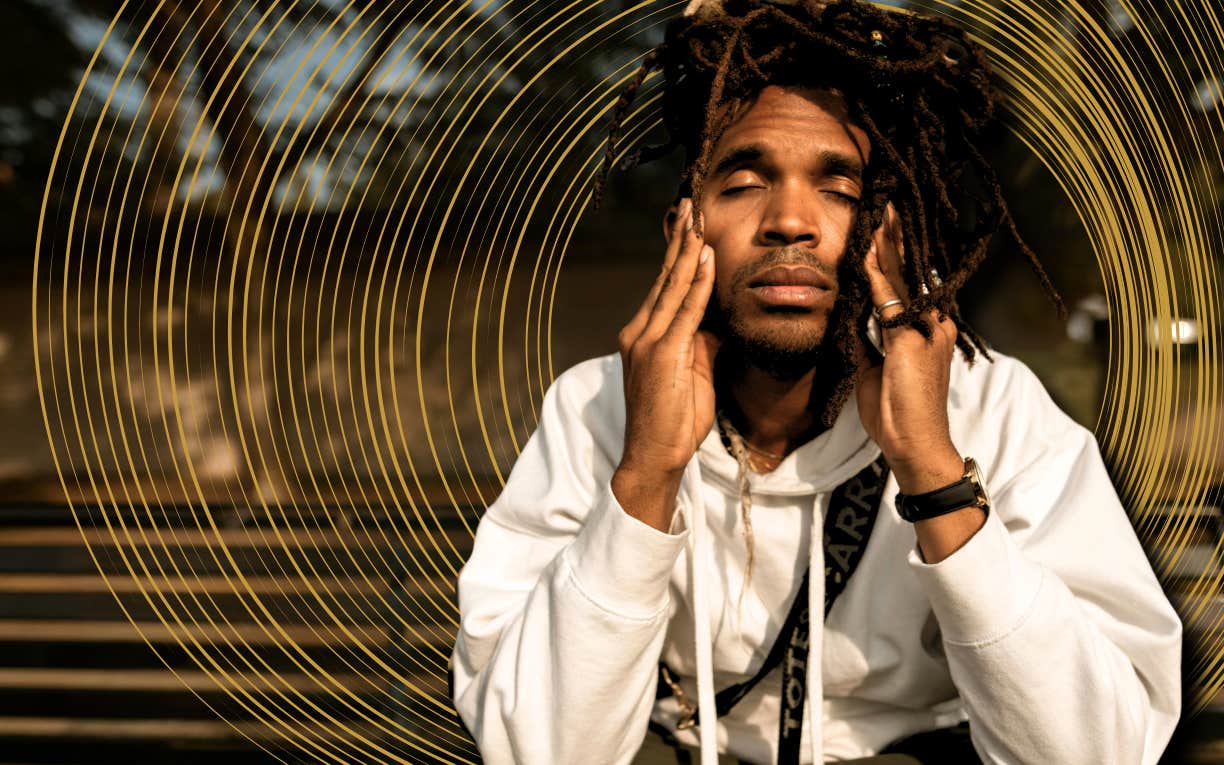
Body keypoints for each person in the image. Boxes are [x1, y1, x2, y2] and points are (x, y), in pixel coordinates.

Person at [449, 1, 1182, 763]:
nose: (791, 220)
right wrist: (646, 473)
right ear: (683, 230)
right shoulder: (597, 407)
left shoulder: (991, 406)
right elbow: (535, 748)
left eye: (838, 186)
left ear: (892, 232)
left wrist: (932, 471)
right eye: (743, 182)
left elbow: (1098, 751)